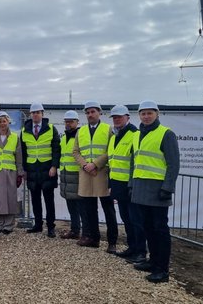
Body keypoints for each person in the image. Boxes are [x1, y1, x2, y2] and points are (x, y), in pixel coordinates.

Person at [130, 100, 180, 283]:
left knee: (160, 230)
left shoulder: (166, 134)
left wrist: (167, 188)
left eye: (149, 113)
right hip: (141, 189)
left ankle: (162, 269)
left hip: (158, 190)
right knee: (148, 229)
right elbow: (133, 163)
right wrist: (131, 185)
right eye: (143, 113)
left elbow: (173, 164)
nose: (146, 116)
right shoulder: (137, 135)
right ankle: (153, 262)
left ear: (157, 114)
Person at [72, 101, 118, 253]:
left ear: (99, 113)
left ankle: (112, 242)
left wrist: (96, 164)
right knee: (89, 209)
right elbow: (76, 151)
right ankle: (94, 238)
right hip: (86, 174)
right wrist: (85, 165)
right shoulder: (81, 131)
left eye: (93, 112)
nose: (90, 115)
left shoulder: (108, 129)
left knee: (108, 209)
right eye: (87, 112)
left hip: (102, 173)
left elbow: (111, 150)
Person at [106, 105, 147, 263]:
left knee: (136, 219)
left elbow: (135, 162)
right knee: (126, 218)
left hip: (130, 185)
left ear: (128, 117)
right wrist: (111, 184)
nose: (116, 120)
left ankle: (140, 251)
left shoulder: (134, 134)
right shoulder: (115, 136)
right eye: (114, 117)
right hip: (118, 185)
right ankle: (132, 247)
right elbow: (112, 163)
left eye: (119, 117)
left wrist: (131, 184)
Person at [21, 102, 61, 238]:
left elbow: (56, 149)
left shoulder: (50, 128)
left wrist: (54, 166)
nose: (35, 115)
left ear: (42, 114)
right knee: (35, 199)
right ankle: (38, 225)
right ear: (30, 114)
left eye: (38, 112)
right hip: (32, 169)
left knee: (49, 200)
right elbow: (24, 152)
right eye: (33, 113)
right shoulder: (24, 130)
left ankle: (51, 227)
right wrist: (25, 170)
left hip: (47, 169)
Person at [59, 110, 83, 239]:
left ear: (77, 122)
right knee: (71, 205)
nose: (68, 124)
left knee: (80, 205)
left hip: (76, 174)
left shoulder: (80, 136)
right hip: (66, 175)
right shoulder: (64, 137)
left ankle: (83, 231)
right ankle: (74, 230)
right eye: (66, 121)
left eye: (71, 121)